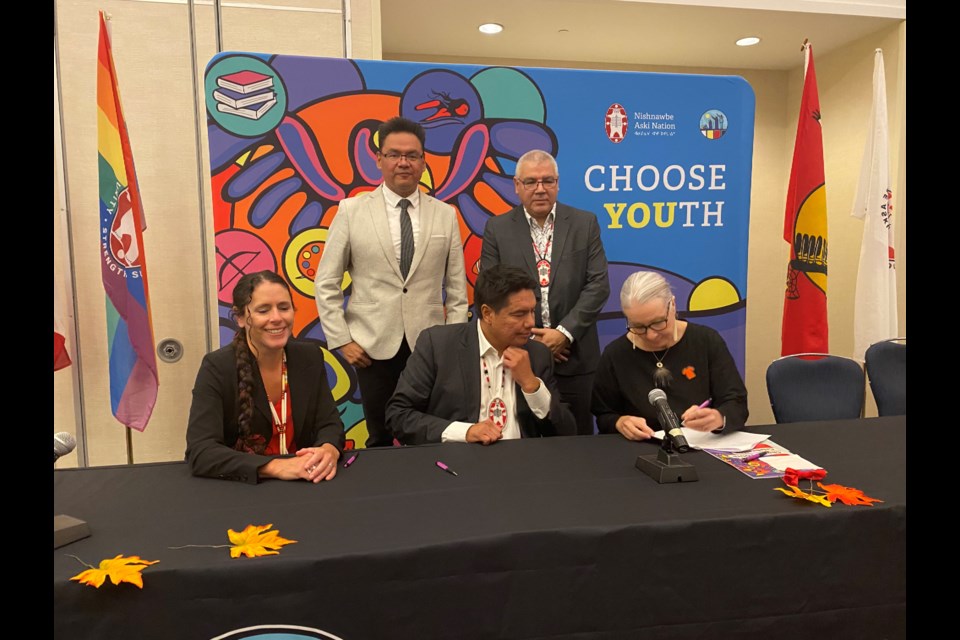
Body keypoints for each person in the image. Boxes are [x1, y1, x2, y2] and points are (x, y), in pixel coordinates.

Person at [315, 116, 469, 448]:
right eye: (394, 154)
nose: (403, 162)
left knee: (427, 435)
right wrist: (341, 340)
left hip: (429, 348)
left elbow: (457, 289)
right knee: (381, 437)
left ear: (424, 161)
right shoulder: (351, 210)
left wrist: (452, 343)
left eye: (412, 155)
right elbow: (326, 281)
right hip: (372, 347)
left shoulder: (445, 214)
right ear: (379, 159)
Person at [480, 150, 609, 435]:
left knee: (578, 442)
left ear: (558, 183)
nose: (540, 189)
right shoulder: (497, 228)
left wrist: (563, 334)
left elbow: (598, 286)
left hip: (576, 359)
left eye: (547, 181)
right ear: (516, 185)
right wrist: (533, 341)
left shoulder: (584, 223)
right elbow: (489, 291)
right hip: (519, 356)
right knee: (525, 439)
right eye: (530, 182)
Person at [385, 265, 576, 445]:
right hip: (458, 464)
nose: (530, 323)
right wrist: (465, 432)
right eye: (519, 314)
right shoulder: (438, 345)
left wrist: (532, 386)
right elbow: (399, 415)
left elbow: (566, 432)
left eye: (532, 311)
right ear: (487, 314)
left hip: (522, 465)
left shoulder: (538, 354)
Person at [186, 270, 345, 483]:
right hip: (246, 488)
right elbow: (201, 452)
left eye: (284, 308)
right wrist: (275, 467)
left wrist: (329, 449)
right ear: (241, 317)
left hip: (306, 483)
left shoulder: (309, 357)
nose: (277, 318)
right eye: (263, 310)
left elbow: (329, 424)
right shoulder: (217, 367)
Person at [591, 271, 747, 441]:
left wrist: (718, 418)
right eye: (638, 326)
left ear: (672, 305)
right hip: (641, 448)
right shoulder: (615, 354)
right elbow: (603, 414)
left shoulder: (706, 341)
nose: (650, 335)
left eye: (658, 323)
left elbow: (736, 403)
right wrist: (619, 422)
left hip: (702, 445)